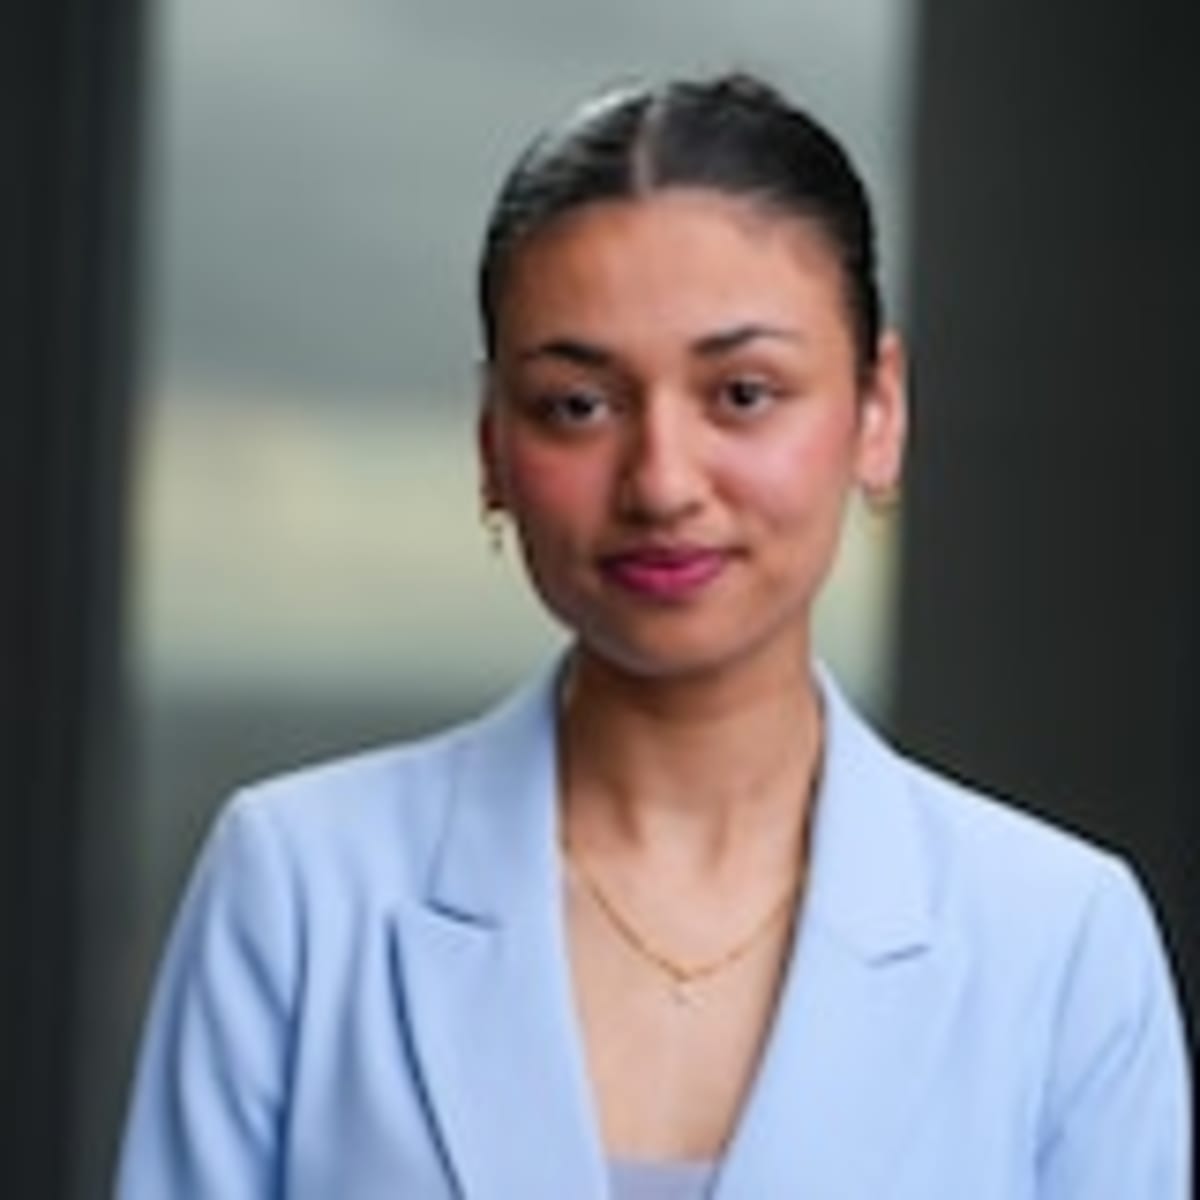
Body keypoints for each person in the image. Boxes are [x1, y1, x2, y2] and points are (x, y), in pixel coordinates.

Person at [116, 74, 1191, 1199]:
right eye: (577, 405)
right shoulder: (300, 889)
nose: (663, 482)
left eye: (742, 393)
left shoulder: (1058, 940)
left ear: (879, 412)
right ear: (492, 444)